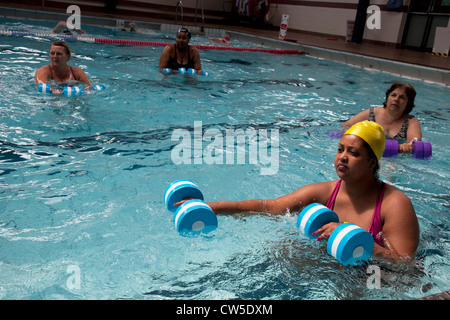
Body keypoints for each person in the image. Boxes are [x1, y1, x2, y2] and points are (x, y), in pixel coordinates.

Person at [178, 121, 420, 264]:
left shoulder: (394, 204)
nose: (343, 157)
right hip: (332, 265)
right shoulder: (325, 191)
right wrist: (213, 207)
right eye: (340, 149)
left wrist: (355, 238)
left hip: (374, 276)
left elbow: (404, 265)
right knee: (279, 252)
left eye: (354, 153)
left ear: (371, 163)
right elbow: (268, 207)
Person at [343, 82, 422, 153]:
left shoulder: (411, 121)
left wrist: (407, 146)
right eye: (393, 95)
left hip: (395, 156)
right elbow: (347, 125)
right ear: (387, 98)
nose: (396, 99)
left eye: (402, 97)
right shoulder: (373, 113)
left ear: (408, 103)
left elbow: (415, 142)